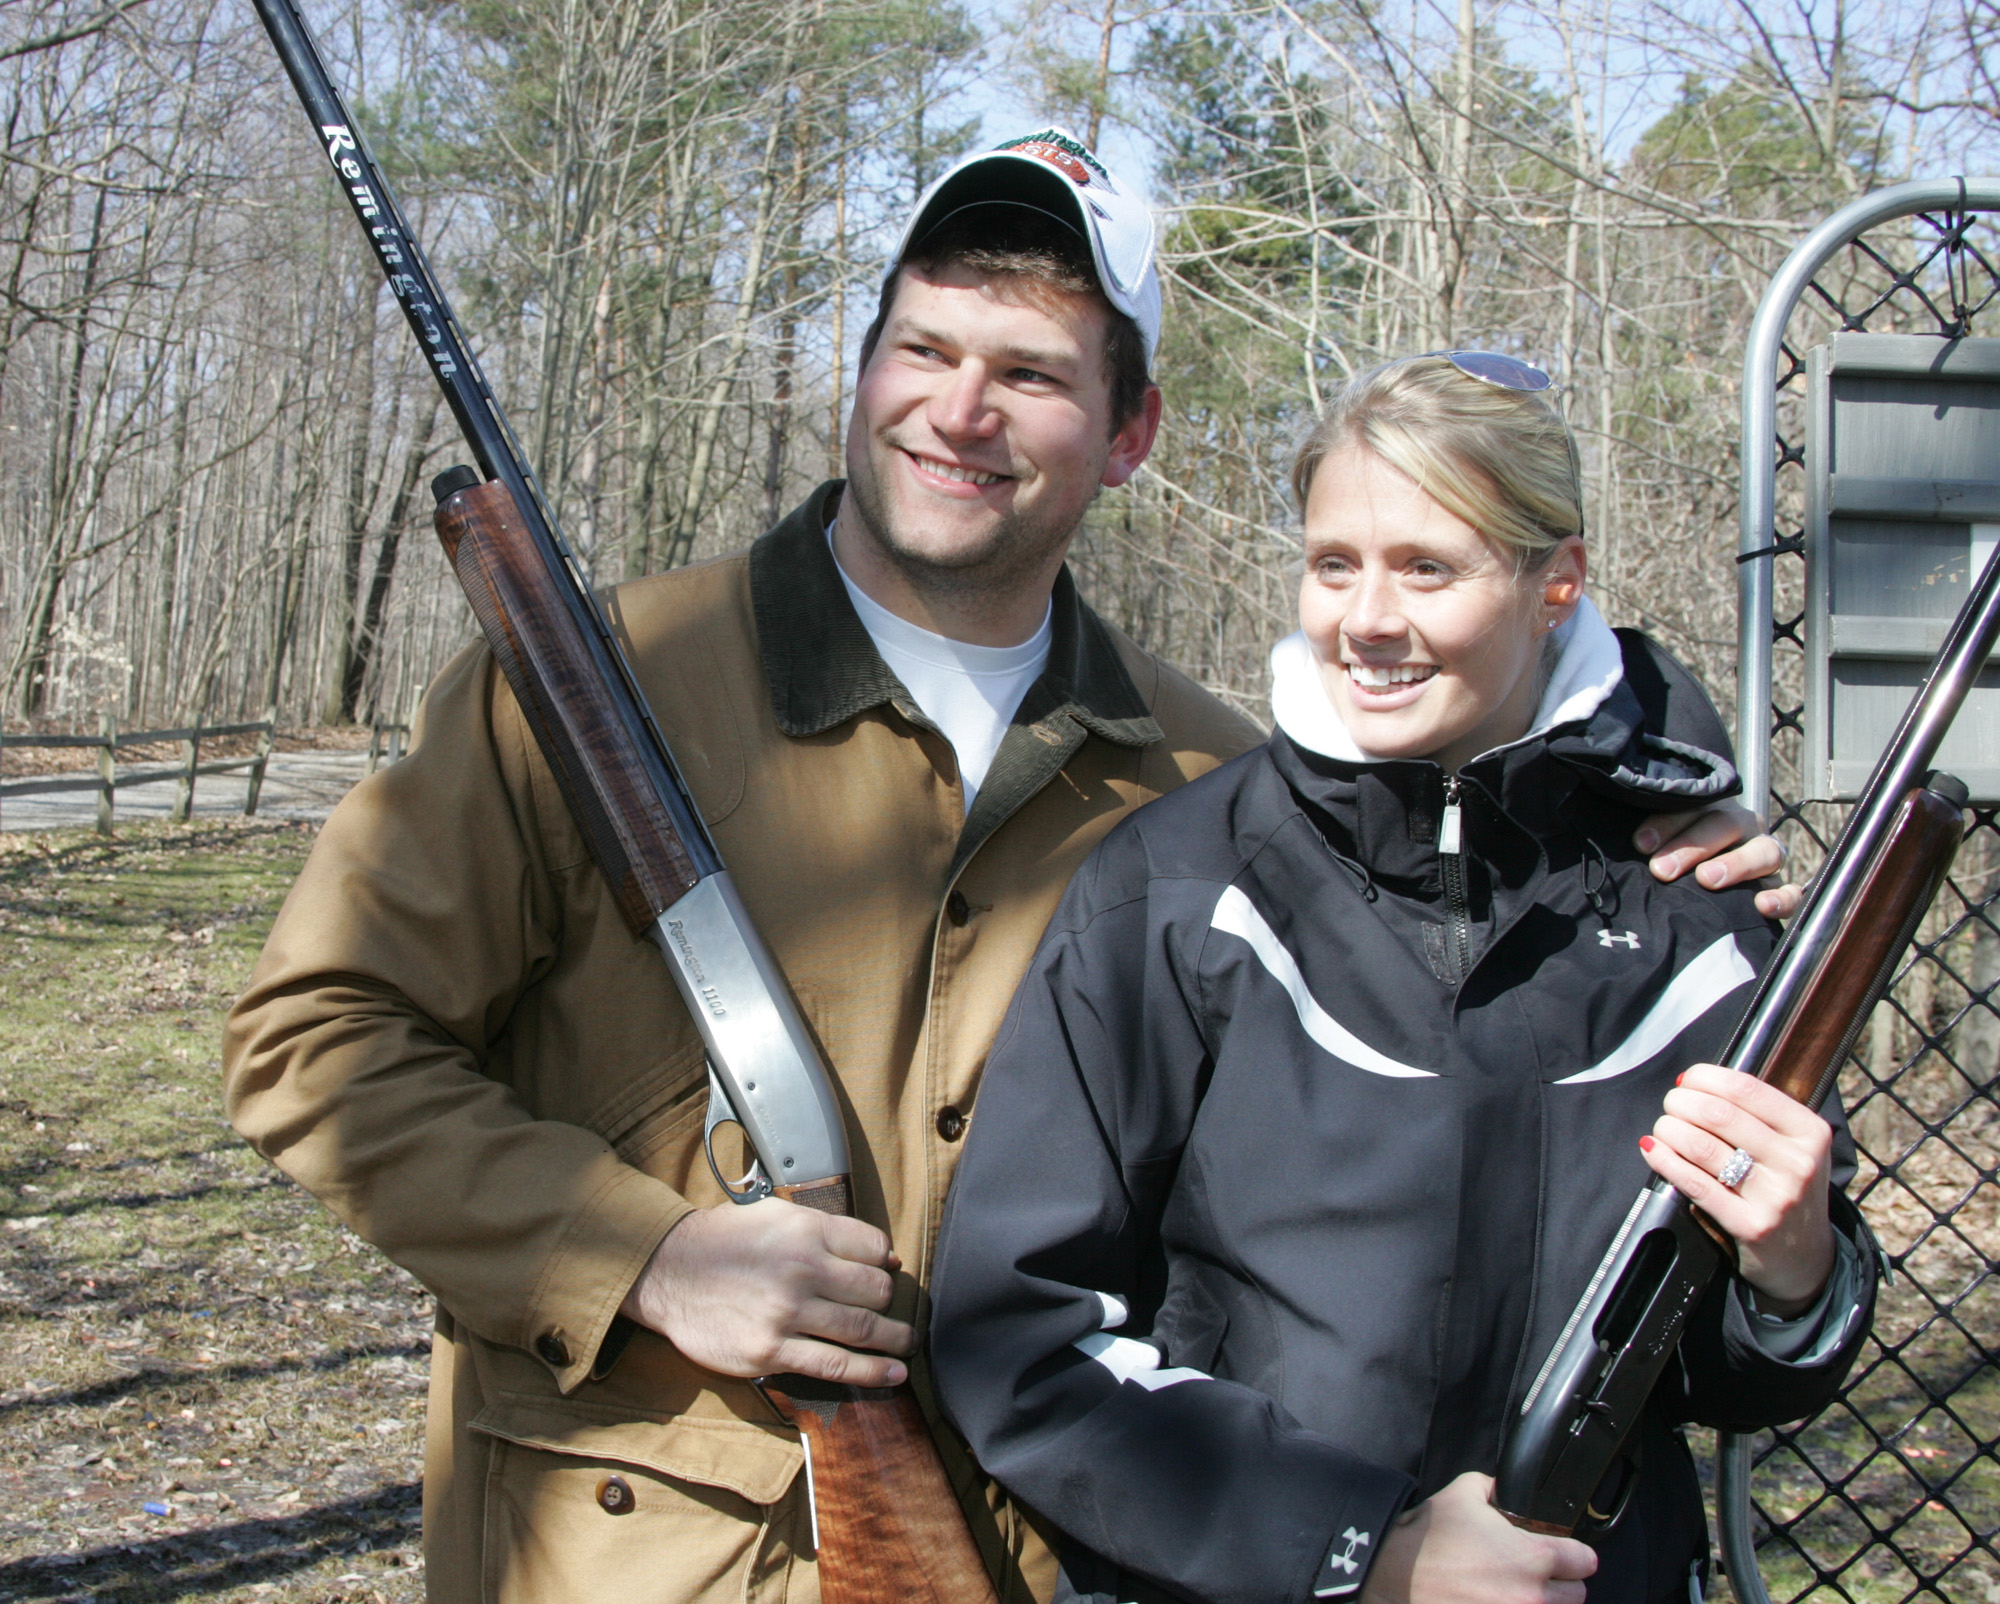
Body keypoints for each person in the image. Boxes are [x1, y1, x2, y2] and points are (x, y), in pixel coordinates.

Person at [223, 129, 1793, 1604]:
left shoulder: (1211, 773)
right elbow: (317, 1044)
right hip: (642, 1556)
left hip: (1050, 1554)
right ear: (861, 376)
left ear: (1128, 435)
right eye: (923, 348)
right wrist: (642, 1256)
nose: (958, 411)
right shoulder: (600, 689)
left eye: (1031, 374)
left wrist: (1654, 844)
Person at [928, 354, 1875, 1604]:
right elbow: (1022, 1335)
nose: (1365, 618)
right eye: (1333, 563)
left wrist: (1795, 1263)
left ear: (1556, 581)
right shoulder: (1180, 889)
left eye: (1427, 566)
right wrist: (1354, 1545)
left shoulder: (1695, 910)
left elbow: (1733, 1378)